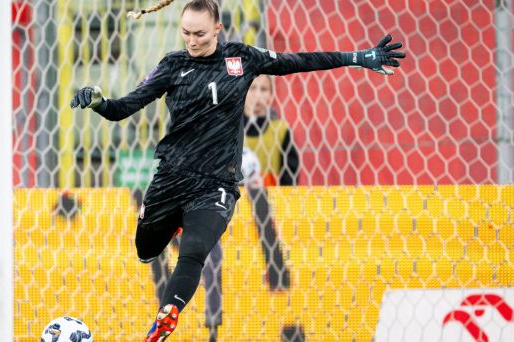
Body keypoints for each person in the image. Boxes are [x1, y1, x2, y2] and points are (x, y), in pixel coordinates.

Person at [70, 0, 405, 340]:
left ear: (217, 28)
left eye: (200, 33)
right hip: (172, 178)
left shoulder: (242, 58)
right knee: (145, 250)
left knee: (196, 251)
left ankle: (167, 313)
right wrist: (99, 100)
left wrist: (358, 57)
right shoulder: (172, 65)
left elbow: (298, 62)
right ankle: (168, 227)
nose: (192, 41)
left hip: (217, 184)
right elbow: (124, 107)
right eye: (185, 33)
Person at [244, 74, 299, 186]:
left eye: (263, 89)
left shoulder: (281, 130)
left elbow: (290, 178)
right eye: (252, 88)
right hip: (234, 201)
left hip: (270, 201)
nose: (257, 95)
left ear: (271, 94)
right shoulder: (230, 129)